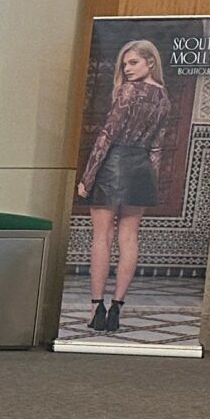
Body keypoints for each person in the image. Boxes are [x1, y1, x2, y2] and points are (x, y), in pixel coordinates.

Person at [76, 37, 170, 333]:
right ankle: (117, 308)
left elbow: (107, 135)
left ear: (150, 62)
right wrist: (149, 180)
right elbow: (157, 147)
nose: (127, 69)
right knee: (129, 238)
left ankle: (96, 308)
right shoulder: (164, 98)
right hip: (141, 169)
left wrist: (87, 177)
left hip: (113, 165)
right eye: (125, 64)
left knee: (101, 238)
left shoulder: (129, 92)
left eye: (133, 62)